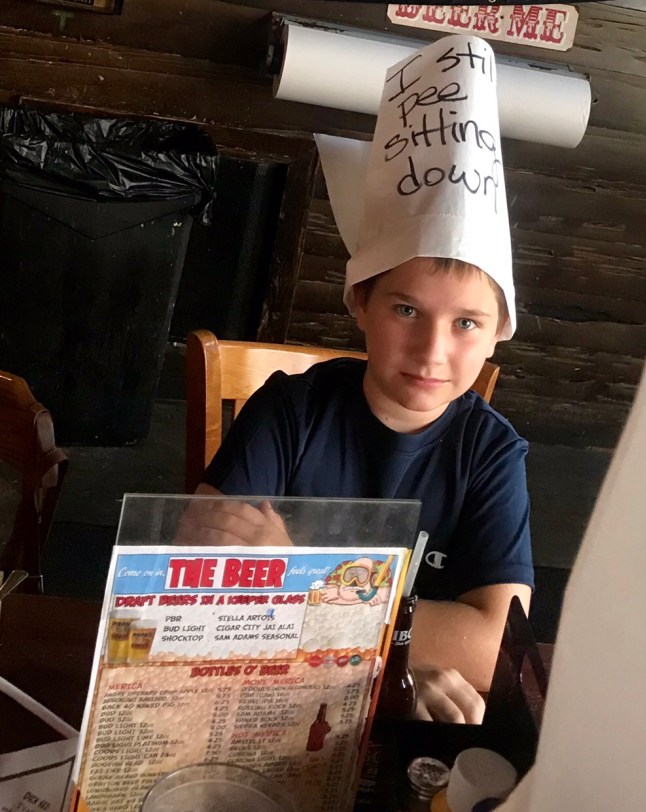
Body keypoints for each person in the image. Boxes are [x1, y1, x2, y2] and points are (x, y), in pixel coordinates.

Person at [184, 34, 534, 723]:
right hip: (264, 703)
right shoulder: (292, 410)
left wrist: (292, 577)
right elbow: (202, 576)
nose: (432, 350)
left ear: (499, 332)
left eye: (466, 322)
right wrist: (399, 651)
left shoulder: (491, 453)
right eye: (406, 310)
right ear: (360, 304)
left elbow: (493, 646)